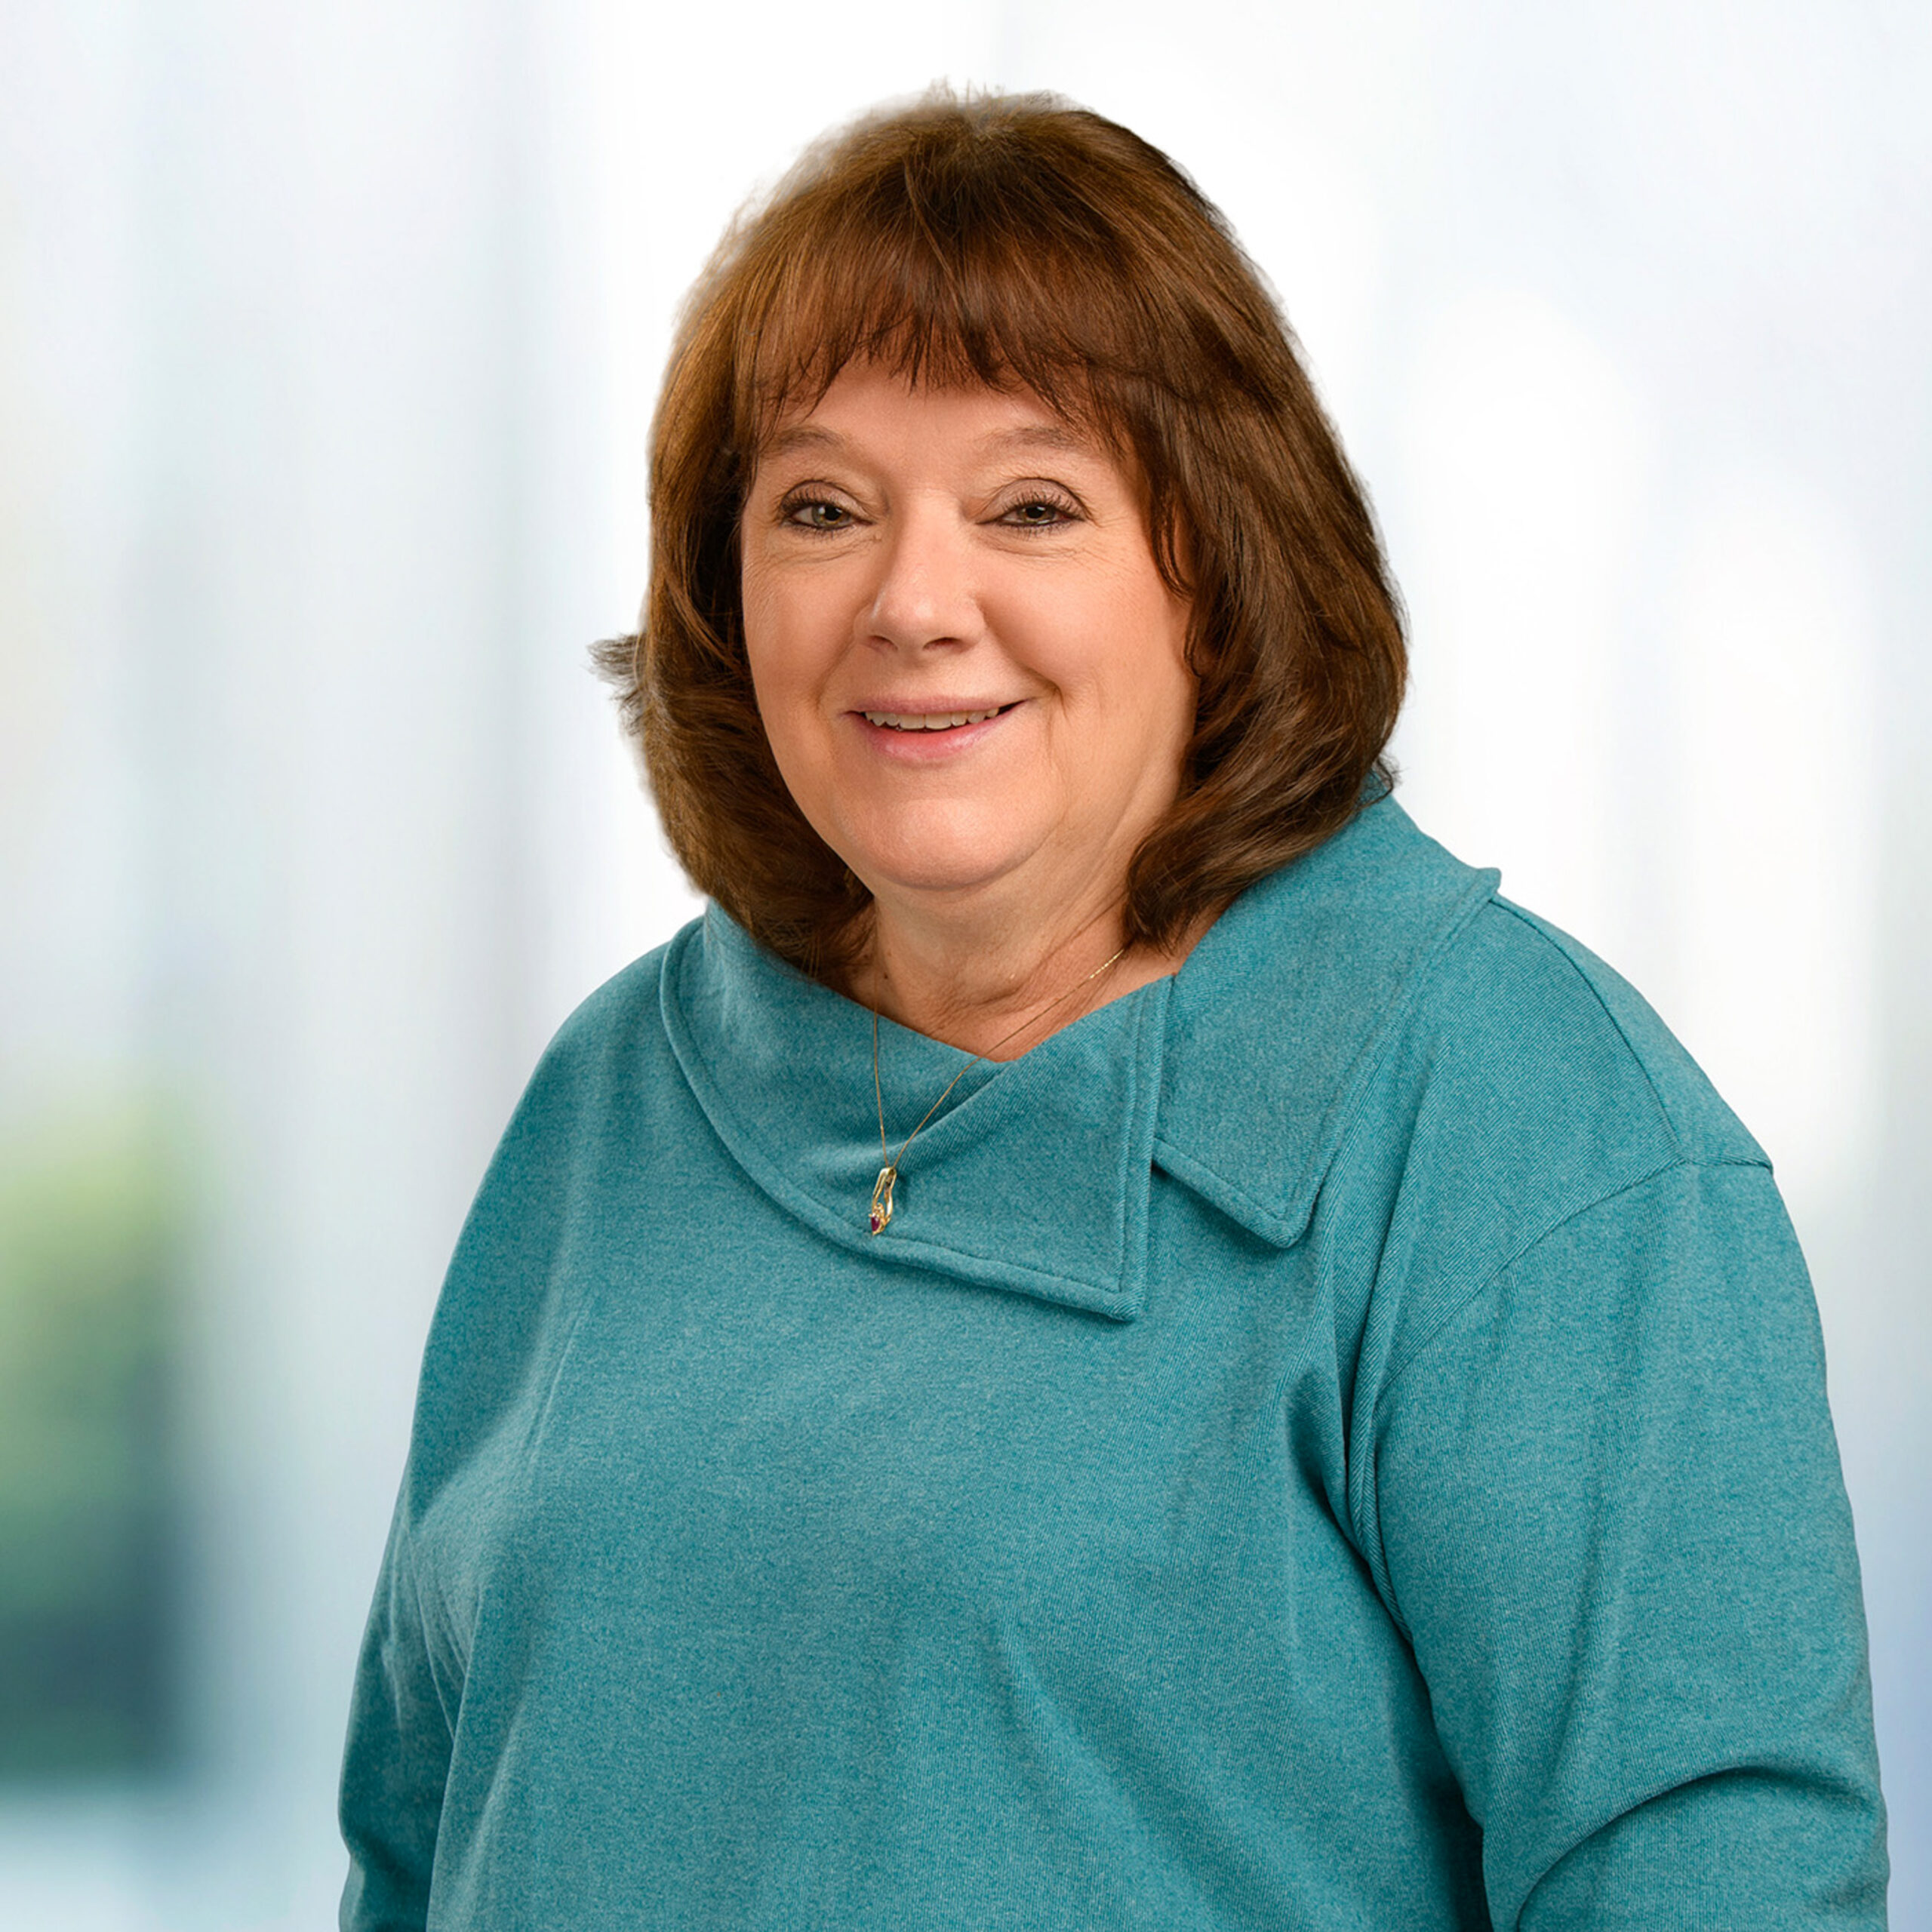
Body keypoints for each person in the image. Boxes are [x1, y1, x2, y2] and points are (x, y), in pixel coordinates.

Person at [337, 91, 1888, 1929]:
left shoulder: (1520, 1125)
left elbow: (1713, 1885)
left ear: (1213, 576)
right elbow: (412, 1844)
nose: (913, 602)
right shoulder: (618, 1092)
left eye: (1030, 505)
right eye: (821, 508)